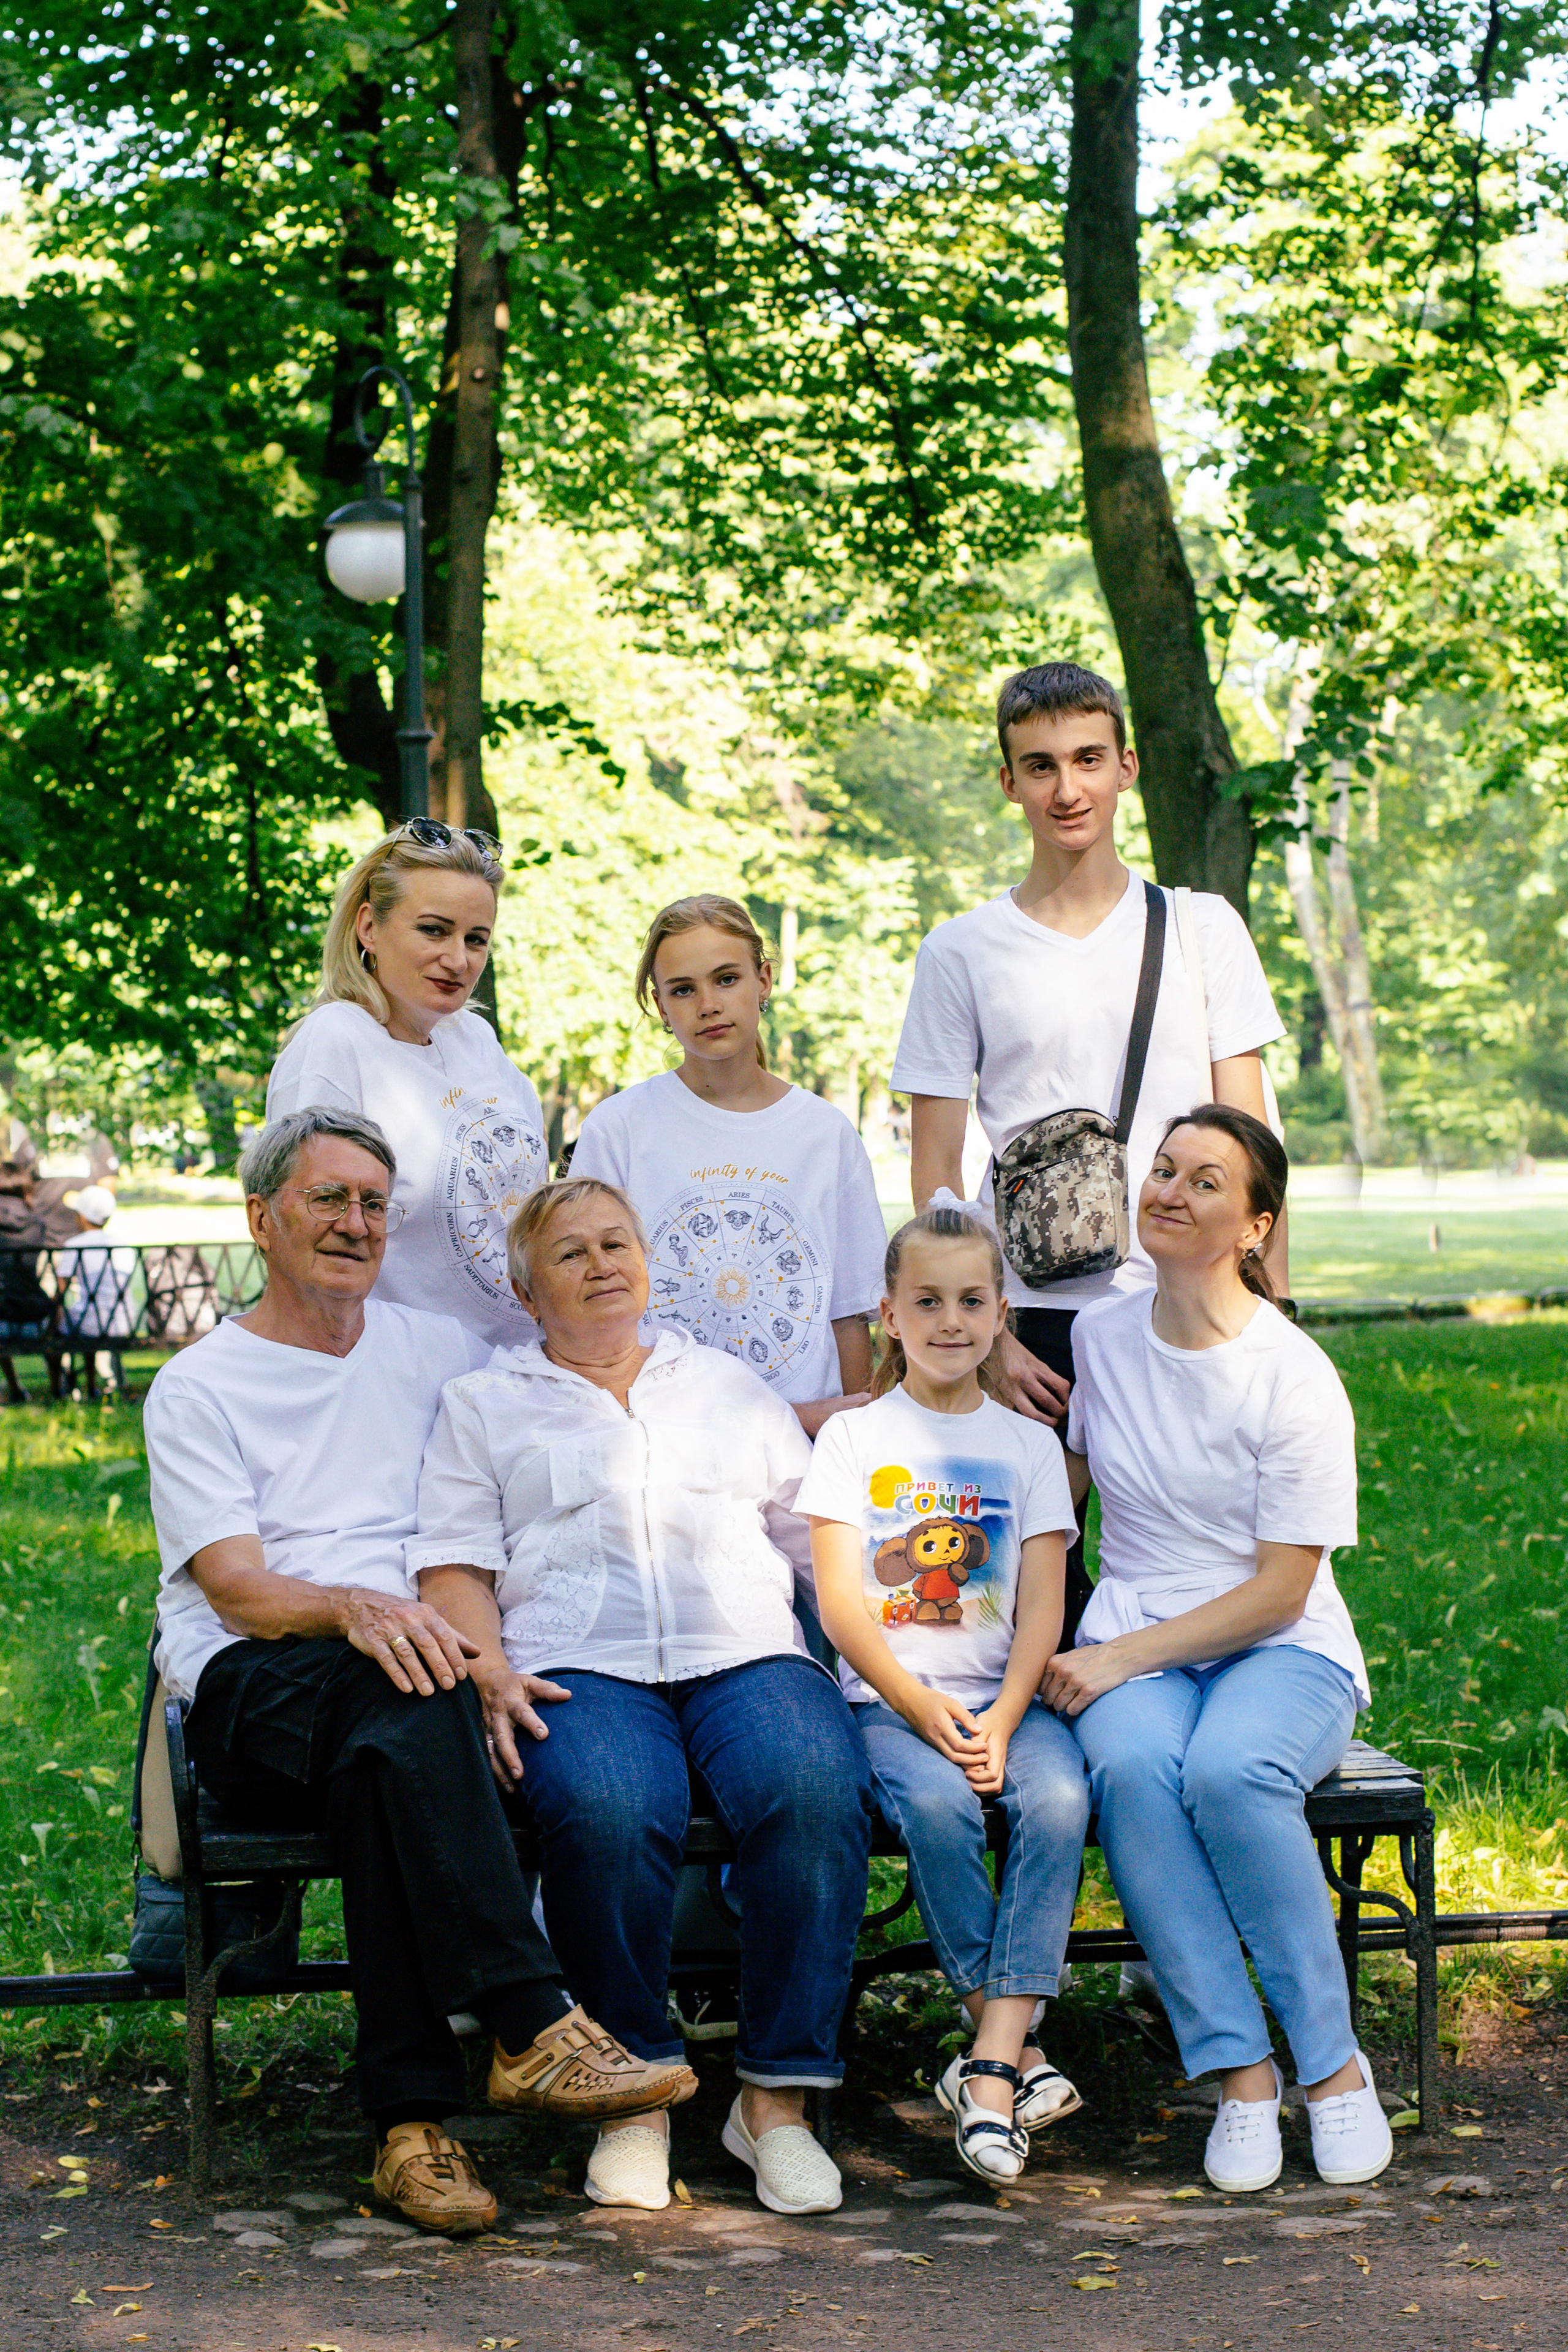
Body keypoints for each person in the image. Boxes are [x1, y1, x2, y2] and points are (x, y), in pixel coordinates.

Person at [143, 1110, 693, 2237]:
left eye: (374, 1205)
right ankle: (532, 2017)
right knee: (405, 1696)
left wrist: (481, 1657)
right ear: (263, 1218)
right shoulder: (201, 1385)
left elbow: (500, 1488)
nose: (355, 1223)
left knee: (393, 1757)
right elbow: (240, 1588)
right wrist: (358, 1609)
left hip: (410, 1694)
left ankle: (411, 2134)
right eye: (327, 1199)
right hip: (257, 1682)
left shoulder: (431, 1348)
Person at [412, 1177, 874, 2218]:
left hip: (744, 1644)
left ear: (647, 1264)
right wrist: (487, 1670)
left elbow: (813, 1534)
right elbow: (452, 1560)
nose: (601, 1264)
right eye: (570, 1254)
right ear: (530, 1295)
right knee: (610, 1810)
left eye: (616, 1243)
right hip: (575, 1654)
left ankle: (775, 2101)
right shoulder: (484, 1403)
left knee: (812, 1789)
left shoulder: (726, 1385)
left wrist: (859, 1662)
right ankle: (635, 2097)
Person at [889, 661, 1287, 1643]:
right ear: (1008, 782)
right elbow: (937, 1172)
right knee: (1025, 1587)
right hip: (1036, 1322)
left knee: (1197, 1580)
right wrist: (992, 1339)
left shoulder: (1201, 929)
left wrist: (1271, 1307)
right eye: (1039, 766)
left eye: (1086, 760)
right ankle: (1026, 1787)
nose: (1066, 789)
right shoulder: (961, 951)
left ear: (1127, 768)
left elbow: (1254, 1141)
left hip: (1187, 1302)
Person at [1043, 1104, 1392, 2193]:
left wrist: (1117, 1657)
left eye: (1204, 1181)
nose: (1169, 1191)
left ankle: (1332, 2071)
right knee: (1140, 1771)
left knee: (1233, 1772)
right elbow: (1071, 1495)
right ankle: (1240, 2074)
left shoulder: (1293, 1376)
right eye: (1162, 1170)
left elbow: (1283, 1591)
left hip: (1278, 1648)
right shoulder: (1101, 1334)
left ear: (1255, 1225)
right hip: (1133, 1639)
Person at [799, 1204, 1089, 2183]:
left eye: (972, 1301)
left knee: (1055, 1798)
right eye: (926, 1301)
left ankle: (990, 2068)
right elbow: (844, 1607)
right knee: (932, 1805)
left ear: (1004, 1312)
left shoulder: (1028, 1446)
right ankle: (1012, 2051)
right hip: (891, 1704)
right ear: (888, 1313)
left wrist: (1007, 1717)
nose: (951, 1321)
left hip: (1012, 1700)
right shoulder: (853, 1438)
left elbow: (1043, 1606)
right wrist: (922, 1710)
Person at [568, 895, 887, 1435]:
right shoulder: (619, 1127)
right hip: (665, 1439)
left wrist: (852, 1433)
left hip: (803, 1448)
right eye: (684, 990)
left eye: (726, 979)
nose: (708, 1004)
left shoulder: (825, 1133)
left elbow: (849, 1311)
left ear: (763, 979)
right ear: (660, 1004)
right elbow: (586, 1305)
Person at [266, 822, 548, 1346]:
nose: (459, 959)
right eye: (434, 930)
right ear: (369, 927)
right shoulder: (335, 1044)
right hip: (405, 1380)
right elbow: (302, 1240)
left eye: (476, 939)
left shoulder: (476, 1039)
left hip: (519, 1376)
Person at [55, 1184, 138, 1395]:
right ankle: (101, 1384)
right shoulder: (122, 1245)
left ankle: (79, 1385)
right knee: (87, 1314)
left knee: (71, 1318)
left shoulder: (74, 1244)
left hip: (90, 1324)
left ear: (82, 1217)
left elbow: (61, 1291)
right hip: (125, 1321)